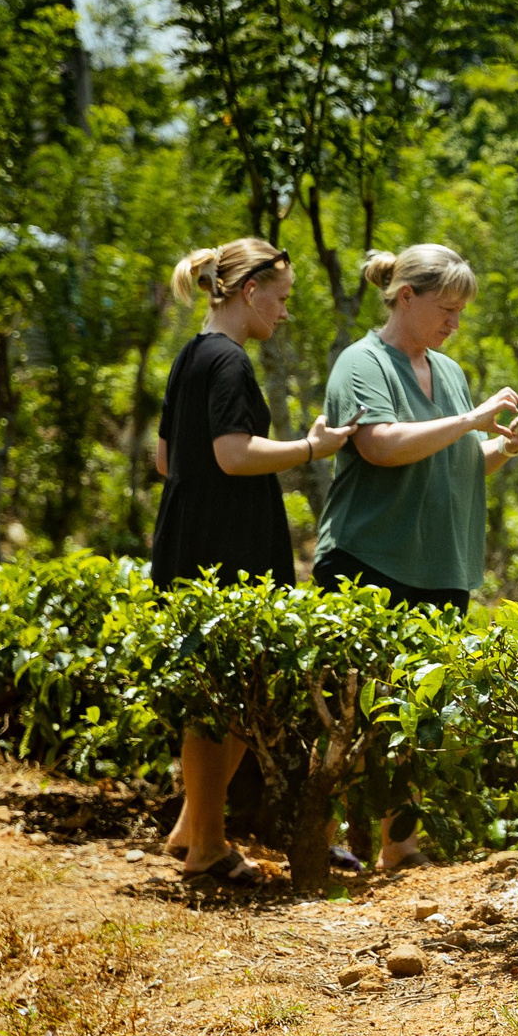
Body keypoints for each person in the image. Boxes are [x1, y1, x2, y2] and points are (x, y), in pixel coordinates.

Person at [316, 243, 518, 868]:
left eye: (461, 312)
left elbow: (458, 461)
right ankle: (318, 837)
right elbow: (382, 446)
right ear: (405, 297)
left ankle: (400, 846)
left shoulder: (448, 371)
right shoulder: (361, 364)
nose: (454, 323)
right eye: (446, 308)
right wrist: (471, 420)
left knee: (416, 715)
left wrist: (507, 446)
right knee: (346, 711)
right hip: (367, 560)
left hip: (440, 564)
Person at [151, 238, 354, 880]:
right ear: (250, 291)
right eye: (283, 298)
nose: (285, 313)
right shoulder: (230, 362)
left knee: (216, 696)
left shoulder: (190, 356)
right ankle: (208, 844)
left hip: (188, 538)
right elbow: (233, 454)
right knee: (227, 700)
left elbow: (164, 460)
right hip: (226, 545)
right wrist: (311, 448)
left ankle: (192, 826)